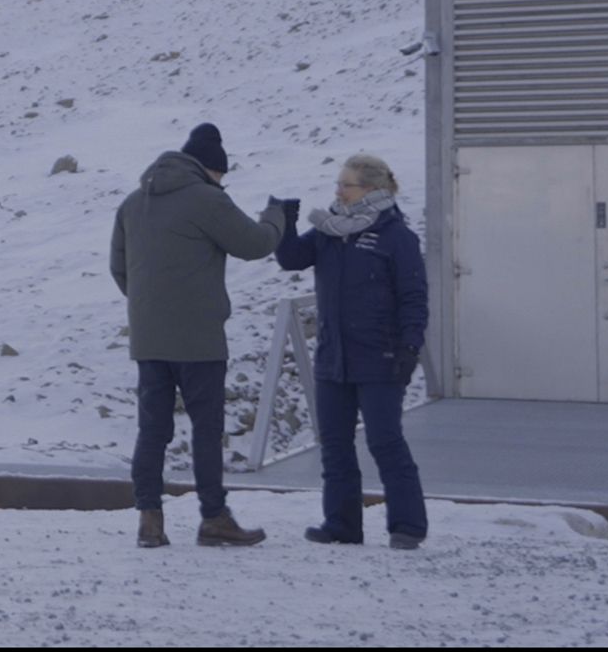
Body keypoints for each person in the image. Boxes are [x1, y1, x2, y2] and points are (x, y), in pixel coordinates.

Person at [110, 122, 288, 548]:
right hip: (199, 340)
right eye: (221, 175)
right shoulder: (207, 199)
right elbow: (255, 244)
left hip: (149, 340)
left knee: (152, 430)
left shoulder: (133, 203)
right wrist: (277, 215)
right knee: (206, 429)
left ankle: (149, 522)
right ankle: (214, 517)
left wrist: (151, 309)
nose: (222, 182)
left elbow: (120, 268)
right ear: (210, 169)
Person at [273, 152, 429, 549]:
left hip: (380, 358)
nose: (338, 191)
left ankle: (407, 526)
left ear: (372, 190)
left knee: (384, 441)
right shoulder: (330, 230)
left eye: (346, 184)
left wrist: (410, 346)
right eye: (338, 184)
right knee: (335, 444)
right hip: (333, 359)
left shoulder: (396, 236)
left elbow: (413, 297)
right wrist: (285, 223)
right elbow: (291, 258)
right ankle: (341, 525)